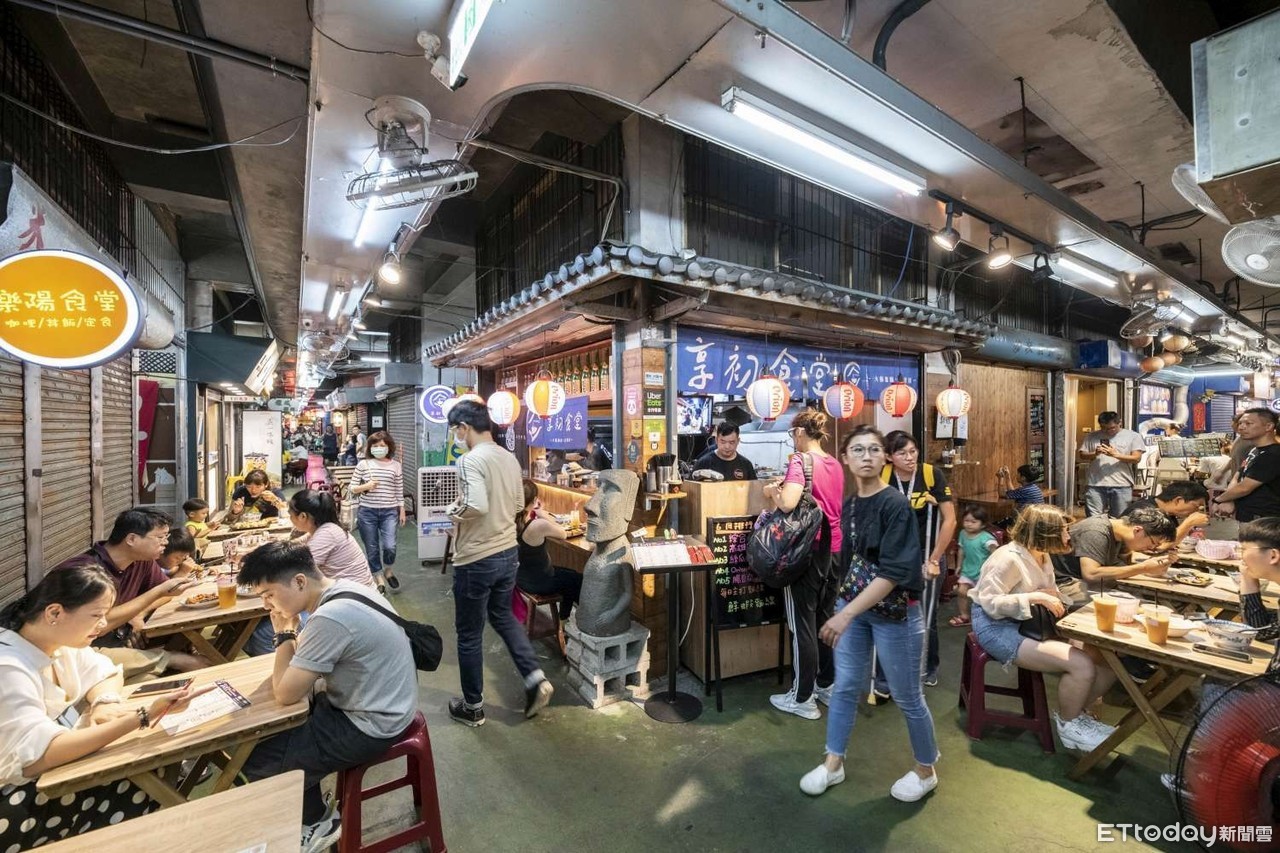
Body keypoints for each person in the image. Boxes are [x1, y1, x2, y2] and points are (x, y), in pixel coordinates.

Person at [237, 541, 418, 853]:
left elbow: (286, 693)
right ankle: (309, 812)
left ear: (299, 581)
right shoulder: (345, 588)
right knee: (279, 732)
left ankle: (318, 822)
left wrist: (284, 633)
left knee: (258, 757)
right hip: (387, 702)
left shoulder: (331, 617)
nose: (267, 605)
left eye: (269, 594)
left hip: (371, 723)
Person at [0, 565, 198, 850]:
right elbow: (37, 758)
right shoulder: (8, 667)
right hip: (13, 802)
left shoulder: (57, 645)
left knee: (148, 762)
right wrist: (142, 717)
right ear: (54, 613)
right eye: (96, 615)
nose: (104, 624)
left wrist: (104, 703)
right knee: (138, 776)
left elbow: (107, 671)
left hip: (46, 779)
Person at [800, 425, 938, 801]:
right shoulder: (849, 505)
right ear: (845, 458)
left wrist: (843, 614)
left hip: (896, 614)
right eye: (858, 450)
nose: (866, 456)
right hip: (856, 610)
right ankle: (833, 763)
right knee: (846, 687)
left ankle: (926, 770)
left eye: (874, 450)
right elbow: (849, 563)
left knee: (908, 696)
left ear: (885, 458)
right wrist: (844, 607)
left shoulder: (895, 504)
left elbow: (893, 573)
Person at [968, 505, 1120, 752]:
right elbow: (990, 604)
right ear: (1044, 533)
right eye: (1063, 531)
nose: (1068, 536)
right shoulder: (1007, 558)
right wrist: (1035, 597)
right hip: (997, 626)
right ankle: (1069, 725)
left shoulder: (1042, 554)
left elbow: (1047, 593)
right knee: (1081, 664)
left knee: (1106, 659)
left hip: (1029, 621)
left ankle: (1077, 713)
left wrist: (1049, 595)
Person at [445, 400, 554, 726]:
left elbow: (476, 505)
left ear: (464, 428)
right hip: (507, 553)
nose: (456, 437)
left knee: (469, 633)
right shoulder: (508, 457)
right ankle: (535, 678)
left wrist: (452, 511)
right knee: (503, 616)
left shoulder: (469, 460)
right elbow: (520, 502)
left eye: (455, 430)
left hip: (476, 557)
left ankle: (472, 707)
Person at [52, 509, 205, 680]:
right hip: (78, 654)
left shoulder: (142, 561)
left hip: (120, 641)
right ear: (131, 539)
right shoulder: (85, 572)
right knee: (161, 676)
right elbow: (98, 625)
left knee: (186, 631)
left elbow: (168, 592)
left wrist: (139, 612)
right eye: (160, 537)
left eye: (166, 537)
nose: (166, 543)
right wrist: (152, 596)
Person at [762, 409, 843, 720]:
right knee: (825, 620)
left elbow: (788, 503)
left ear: (799, 432)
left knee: (803, 626)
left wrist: (773, 491)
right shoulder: (834, 463)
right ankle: (826, 684)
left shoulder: (800, 461)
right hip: (834, 551)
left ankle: (802, 697)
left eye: (792, 433)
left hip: (807, 554)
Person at [875, 430, 955, 693]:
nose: (910, 458)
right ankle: (886, 676)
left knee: (924, 614)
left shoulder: (931, 475)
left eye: (913, 451)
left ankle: (927, 667)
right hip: (894, 556)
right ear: (889, 457)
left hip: (926, 553)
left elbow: (950, 520)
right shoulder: (883, 476)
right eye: (902, 453)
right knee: (889, 613)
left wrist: (934, 559)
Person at [1051, 505, 1178, 604]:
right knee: (1134, 607)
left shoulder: (1120, 533)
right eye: (1153, 542)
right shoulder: (1096, 531)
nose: (1152, 548)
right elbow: (1091, 574)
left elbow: (1120, 567)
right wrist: (1143, 567)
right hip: (1067, 584)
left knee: (1152, 601)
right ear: (1138, 530)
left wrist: (1152, 570)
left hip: (1090, 583)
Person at [516, 480, 583, 620]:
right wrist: (541, 512)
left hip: (521, 578)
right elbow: (563, 533)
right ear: (534, 500)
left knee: (570, 575)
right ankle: (567, 619)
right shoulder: (537, 525)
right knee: (576, 580)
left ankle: (564, 620)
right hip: (539, 583)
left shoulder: (509, 521)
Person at [349, 431, 406, 593]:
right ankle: (379, 578)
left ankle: (388, 570)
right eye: (375, 445)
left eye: (382, 445)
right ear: (370, 447)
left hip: (389, 512)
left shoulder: (396, 465)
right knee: (372, 547)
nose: (379, 448)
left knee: (390, 546)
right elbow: (352, 488)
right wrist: (366, 486)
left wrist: (402, 509)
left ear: (389, 447)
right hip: (367, 512)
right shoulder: (363, 465)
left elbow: (399, 489)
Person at [1211, 408, 1280, 523]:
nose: (1241, 427)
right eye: (1240, 423)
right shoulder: (1254, 450)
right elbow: (1238, 476)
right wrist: (1230, 499)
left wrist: (1218, 500)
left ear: (1268, 426)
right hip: (1247, 515)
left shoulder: (1273, 454)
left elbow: (1245, 487)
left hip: (1265, 519)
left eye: (1248, 423)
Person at [1079, 411, 1146, 517]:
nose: (1108, 431)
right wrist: (1095, 453)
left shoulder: (1133, 436)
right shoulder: (1092, 436)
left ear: (1120, 422)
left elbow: (1136, 458)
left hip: (1122, 484)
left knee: (1120, 518)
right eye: (1103, 428)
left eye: (1112, 428)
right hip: (1095, 484)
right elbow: (1082, 455)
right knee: (1093, 518)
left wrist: (1115, 454)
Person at [950, 505, 998, 627]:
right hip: (967, 570)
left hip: (983, 573)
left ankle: (984, 619)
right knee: (961, 592)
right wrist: (958, 565)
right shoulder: (962, 534)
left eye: (973, 521)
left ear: (982, 524)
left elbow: (996, 555)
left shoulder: (987, 538)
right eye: (966, 521)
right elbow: (961, 550)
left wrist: (993, 571)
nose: (969, 524)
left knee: (982, 597)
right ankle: (964, 616)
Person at [1122, 480, 1209, 543]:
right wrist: (1188, 524)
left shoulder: (1167, 512)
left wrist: (1188, 532)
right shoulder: (1145, 512)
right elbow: (1157, 546)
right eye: (1196, 506)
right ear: (1178, 500)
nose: (1197, 510)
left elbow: (1170, 535)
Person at [693, 421, 757, 481]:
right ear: (716, 440)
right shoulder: (704, 463)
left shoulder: (746, 465)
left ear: (738, 441)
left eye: (731, 442)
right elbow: (691, 486)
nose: (727, 446)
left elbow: (754, 487)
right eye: (723, 442)